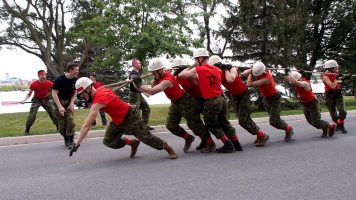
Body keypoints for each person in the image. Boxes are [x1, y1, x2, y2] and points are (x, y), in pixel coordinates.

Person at [69, 77, 177, 159]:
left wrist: (77, 143)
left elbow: (87, 125)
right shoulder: (101, 90)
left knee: (146, 137)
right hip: (118, 120)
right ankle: (132, 143)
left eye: (83, 93)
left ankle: (168, 148)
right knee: (108, 141)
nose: (83, 96)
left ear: (88, 88)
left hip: (130, 117)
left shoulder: (98, 100)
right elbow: (115, 99)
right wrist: (126, 104)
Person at [133, 58, 214, 153]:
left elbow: (153, 91)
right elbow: (152, 85)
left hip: (185, 101)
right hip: (175, 103)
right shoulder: (160, 76)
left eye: (154, 73)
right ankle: (188, 137)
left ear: (160, 70)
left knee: (194, 123)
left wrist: (138, 85)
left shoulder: (167, 80)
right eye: (152, 73)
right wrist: (155, 77)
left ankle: (210, 143)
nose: (153, 75)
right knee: (171, 126)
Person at [178, 48, 243, 153]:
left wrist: (190, 67)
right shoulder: (217, 70)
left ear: (200, 58)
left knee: (211, 124)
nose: (195, 61)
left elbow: (182, 75)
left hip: (212, 101)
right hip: (222, 99)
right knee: (224, 122)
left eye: (195, 59)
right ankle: (237, 144)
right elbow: (204, 80)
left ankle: (228, 144)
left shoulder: (199, 69)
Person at [208, 55, 269, 147]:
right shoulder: (219, 72)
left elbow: (230, 79)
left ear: (219, 64)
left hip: (243, 94)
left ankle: (262, 135)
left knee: (243, 120)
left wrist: (226, 70)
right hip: (234, 96)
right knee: (245, 118)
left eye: (214, 66)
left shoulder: (231, 69)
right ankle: (259, 134)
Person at [171, 57, 215, 152]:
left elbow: (200, 85)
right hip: (194, 98)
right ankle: (205, 140)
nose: (174, 71)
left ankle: (212, 142)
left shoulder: (190, 74)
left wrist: (192, 76)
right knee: (193, 122)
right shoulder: (177, 76)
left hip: (203, 98)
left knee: (208, 122)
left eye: (175, 69)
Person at [246, 61, 294, 142]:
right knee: (275, 119)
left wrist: (250, 73)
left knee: (274, 121)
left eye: (256, 74)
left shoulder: (266, 78)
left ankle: (289, 129)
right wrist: (251, 70)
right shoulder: (262, 72)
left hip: (275, 98)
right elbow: (244, 73)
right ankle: (261, 135)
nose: (255, 75)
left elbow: (249, 84)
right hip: (267, 99)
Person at [286, 71, 336, 137]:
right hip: (305, 104)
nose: (291, 83)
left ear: (296, 79)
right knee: (310, 121)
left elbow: (296, 82)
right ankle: (325, 128)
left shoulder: (305, 83)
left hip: (313, 103)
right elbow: (293, 81)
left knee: (316, 122)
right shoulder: (298, 83)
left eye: (292, 80)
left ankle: (331, 126)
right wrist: (286, 74)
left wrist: (287, 73)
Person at [21, 70, 57, 135]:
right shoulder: (34, 84)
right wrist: (24, 100)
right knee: (32, 116)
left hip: (45, 100)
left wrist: (55, 98)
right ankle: (27, 129)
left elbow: (55, 91)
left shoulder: (49, 83)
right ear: (39, 76)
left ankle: (58, 127)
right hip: (36, 100)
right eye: (42, 75)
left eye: (45, 75)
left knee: (53, 113)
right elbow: (29, 94)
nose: (44, 76)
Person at [52, 63, 79, 149]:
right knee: (61, 124)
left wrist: (71, 103)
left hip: (69, 101)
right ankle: (65, 138)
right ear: (70, 70)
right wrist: (60, 107)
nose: (77, 72)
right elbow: (54, 93)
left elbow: (75, 92)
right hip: (59, 101)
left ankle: (70, 139)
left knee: (70, 120)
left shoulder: (76, 80)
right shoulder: (60, 79)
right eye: (76, 70)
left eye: (78, 70)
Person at [322, 60, 348, 133]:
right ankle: (337, 124)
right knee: (333, 112)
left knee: (342, 111)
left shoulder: (335, 73)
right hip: (329, 94)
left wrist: (344, 77)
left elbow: (338, 81)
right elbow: (332, 86)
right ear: (330, 68)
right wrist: (336, 78)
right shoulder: (325, 76)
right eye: (336, 68)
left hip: (338, 93)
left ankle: (341, 125)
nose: (337, 69)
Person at [128, 59, 153, 130]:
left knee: (146, 108)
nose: (140, 64)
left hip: (138, 94)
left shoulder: (137, 73)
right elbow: (136, 86)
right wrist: (145, 93)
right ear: (134, 65)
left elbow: (139, 85)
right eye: (139, 63)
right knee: (135, 112)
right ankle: (132, 128)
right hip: (134, 95)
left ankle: (144, 126)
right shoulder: (133, 74)